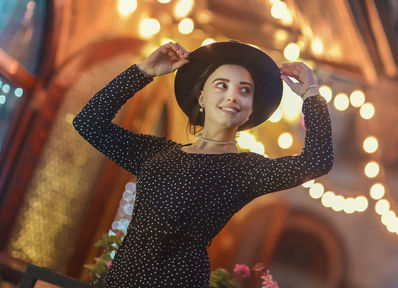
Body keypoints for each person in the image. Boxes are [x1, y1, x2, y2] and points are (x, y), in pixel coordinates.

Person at [73, 40, 334, 287]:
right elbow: (89, 123)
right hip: (122, 278)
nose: (233, 96)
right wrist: (143, 71)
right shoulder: (158, 153)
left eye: (245, 90)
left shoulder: (246, 171)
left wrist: (311, 94)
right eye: (222, 85)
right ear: (201, 97)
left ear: (251, 109)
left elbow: (317, 160)